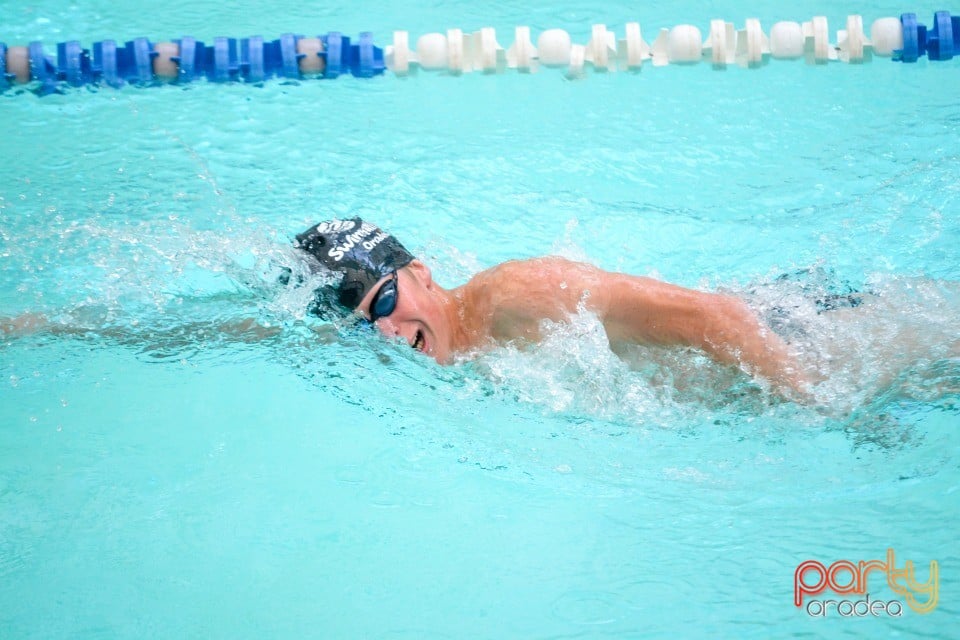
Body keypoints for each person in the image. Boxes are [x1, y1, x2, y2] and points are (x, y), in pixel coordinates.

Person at [293, 218, 810, 397]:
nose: (385, 331)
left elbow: (717, 317)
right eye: (362, 328)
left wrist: (818, 403)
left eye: (383, 299)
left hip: (802, 335)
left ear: (421, 272)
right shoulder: (466, 355)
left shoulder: (518, 295)